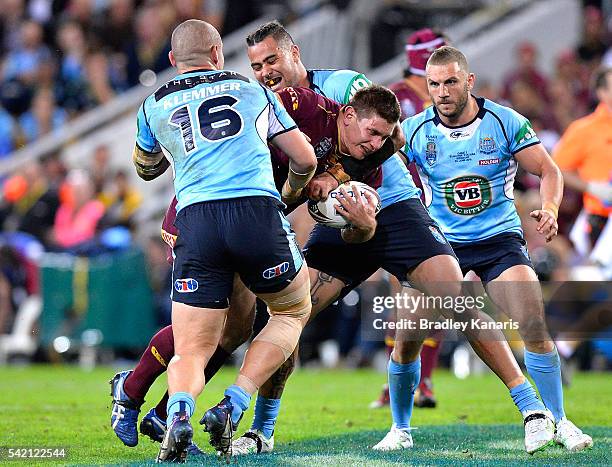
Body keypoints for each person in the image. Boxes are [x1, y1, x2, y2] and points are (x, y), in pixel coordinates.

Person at [115, 21, 552, 458]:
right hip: (313, 218)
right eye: (256, 65)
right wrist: (308, 199)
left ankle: (531, 409)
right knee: (274, 318)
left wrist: (339, 186)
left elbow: (388, 134)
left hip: (393, 207)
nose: (265, 71)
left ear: (294, 54)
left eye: (272, 60)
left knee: (452, 295)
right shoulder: (268, 101)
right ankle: (255, 427)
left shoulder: (342, 88)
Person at [111, 42, 402, 452]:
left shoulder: (367, 163)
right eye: (371, 133)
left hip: (242, 221)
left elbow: (360, 231)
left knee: (230, 330)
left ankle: (167, 413)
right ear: (348, 115)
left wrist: (362, 222)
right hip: (210, 216)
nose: (374, 144)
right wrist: (296, 189)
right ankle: (132, 392)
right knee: (211, 330)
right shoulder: (301, 105)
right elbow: (293, 154)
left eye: (383, 138)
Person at [386, 45, 592, 453]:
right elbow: (377, 167)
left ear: (469, 81)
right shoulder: (413, 130)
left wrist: (549, 207)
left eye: (449, 82)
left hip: (498, 241)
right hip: (439, 245)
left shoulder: (503, 121)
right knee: (407, 336)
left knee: (532, 321)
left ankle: (559, 420)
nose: (441, 92)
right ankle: (400, 429)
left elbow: (548, 169)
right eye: (433, 84)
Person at [131, 19, 318, 462]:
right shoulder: (251, 89)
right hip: (255, 212)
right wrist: (289, 193)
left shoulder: (153, 103)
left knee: (193, 347)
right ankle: (234, 402)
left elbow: (145, 167)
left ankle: (177, 415)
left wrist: (179, 151)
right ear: (218, 52)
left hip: (196, 221)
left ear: (174, 61)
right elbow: (305, 158)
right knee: (292, 308)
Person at [371, 27, 448, 410]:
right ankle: (399, 384)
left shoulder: (445, 101)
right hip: (403, 206)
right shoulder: (395, 99)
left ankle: (424, 379)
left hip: (441, 204)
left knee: (435, 297)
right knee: (401, 294)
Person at [553, 66, 612, 248]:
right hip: (604, 217)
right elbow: (555, 168)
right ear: (602, 93)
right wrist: (592, 187)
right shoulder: (584, 129)